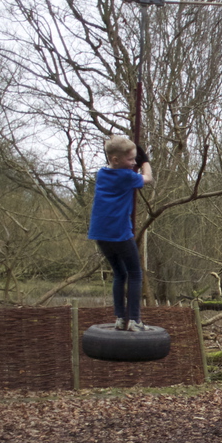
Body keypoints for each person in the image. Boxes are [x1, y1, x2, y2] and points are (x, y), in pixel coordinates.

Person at [87, 135, 154, 331]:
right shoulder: (125, 176)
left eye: (135, 160)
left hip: (100, 234)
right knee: (135, 274)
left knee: (119, 274)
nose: (133, 163)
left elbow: (123, 168)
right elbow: (148, 178)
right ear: (115, 159)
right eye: (130, 159)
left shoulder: (102, 173)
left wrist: (134, 159)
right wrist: (145, 161)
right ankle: (134, 319)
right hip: (120, 233)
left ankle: (119, 317)